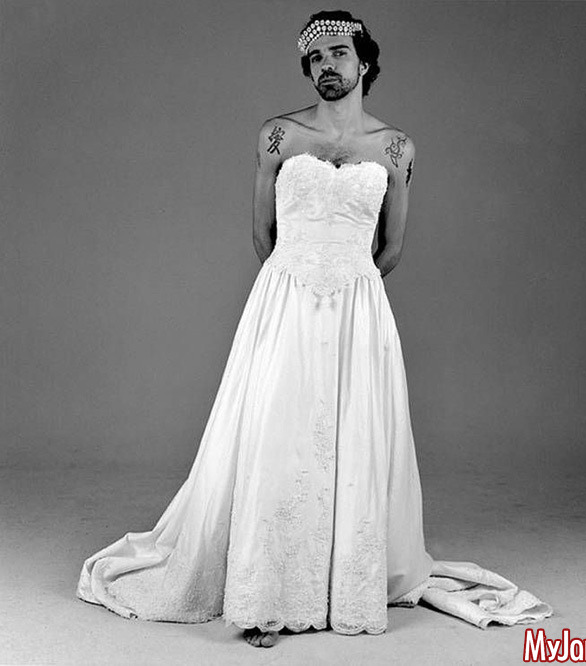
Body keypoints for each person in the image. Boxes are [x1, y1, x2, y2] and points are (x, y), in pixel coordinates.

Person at [76, 10, 553, 649]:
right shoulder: (278, 136)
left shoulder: (396, 148)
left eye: (339, 54)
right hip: (285, 301)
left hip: (359, 309)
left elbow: (391, 247)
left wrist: (350, 287)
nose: (327, 66)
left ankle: (341, 589)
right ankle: (265, 595)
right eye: (316, 58)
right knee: (278, 437)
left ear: (364, 62)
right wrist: (297, 282)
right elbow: (262, 234)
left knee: (351, 437)